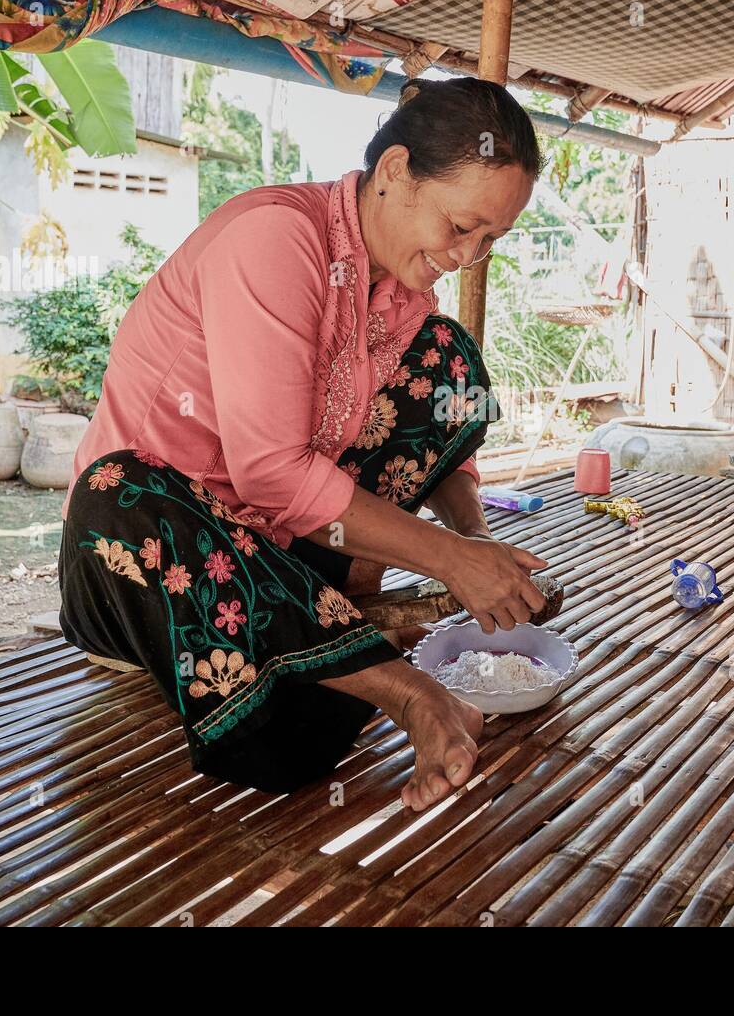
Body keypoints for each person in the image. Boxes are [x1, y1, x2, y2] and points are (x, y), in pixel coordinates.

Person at [57, 77, 549, 812]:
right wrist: (449, 559)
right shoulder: (275, 239)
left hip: (275, 547)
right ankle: (404, 689)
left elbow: (424, 420)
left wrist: (481, 553)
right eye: (460, 227)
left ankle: (335, 620)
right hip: (147, 563)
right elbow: (271, 475)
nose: (468, 254)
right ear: (394, 174)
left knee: (445, 354)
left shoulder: (403, 293)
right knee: (117, 491)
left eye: (490, 241)